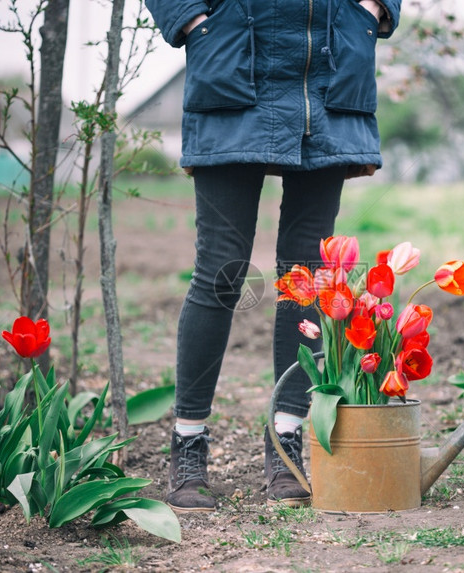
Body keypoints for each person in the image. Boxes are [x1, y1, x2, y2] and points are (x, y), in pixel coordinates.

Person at [144, 0, 402, 512]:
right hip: (234, 59)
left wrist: (371, 11)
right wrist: (196, 22)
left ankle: (286, 440)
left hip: (327, 70)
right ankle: (189, 443)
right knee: (222, 270)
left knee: (304, 274)